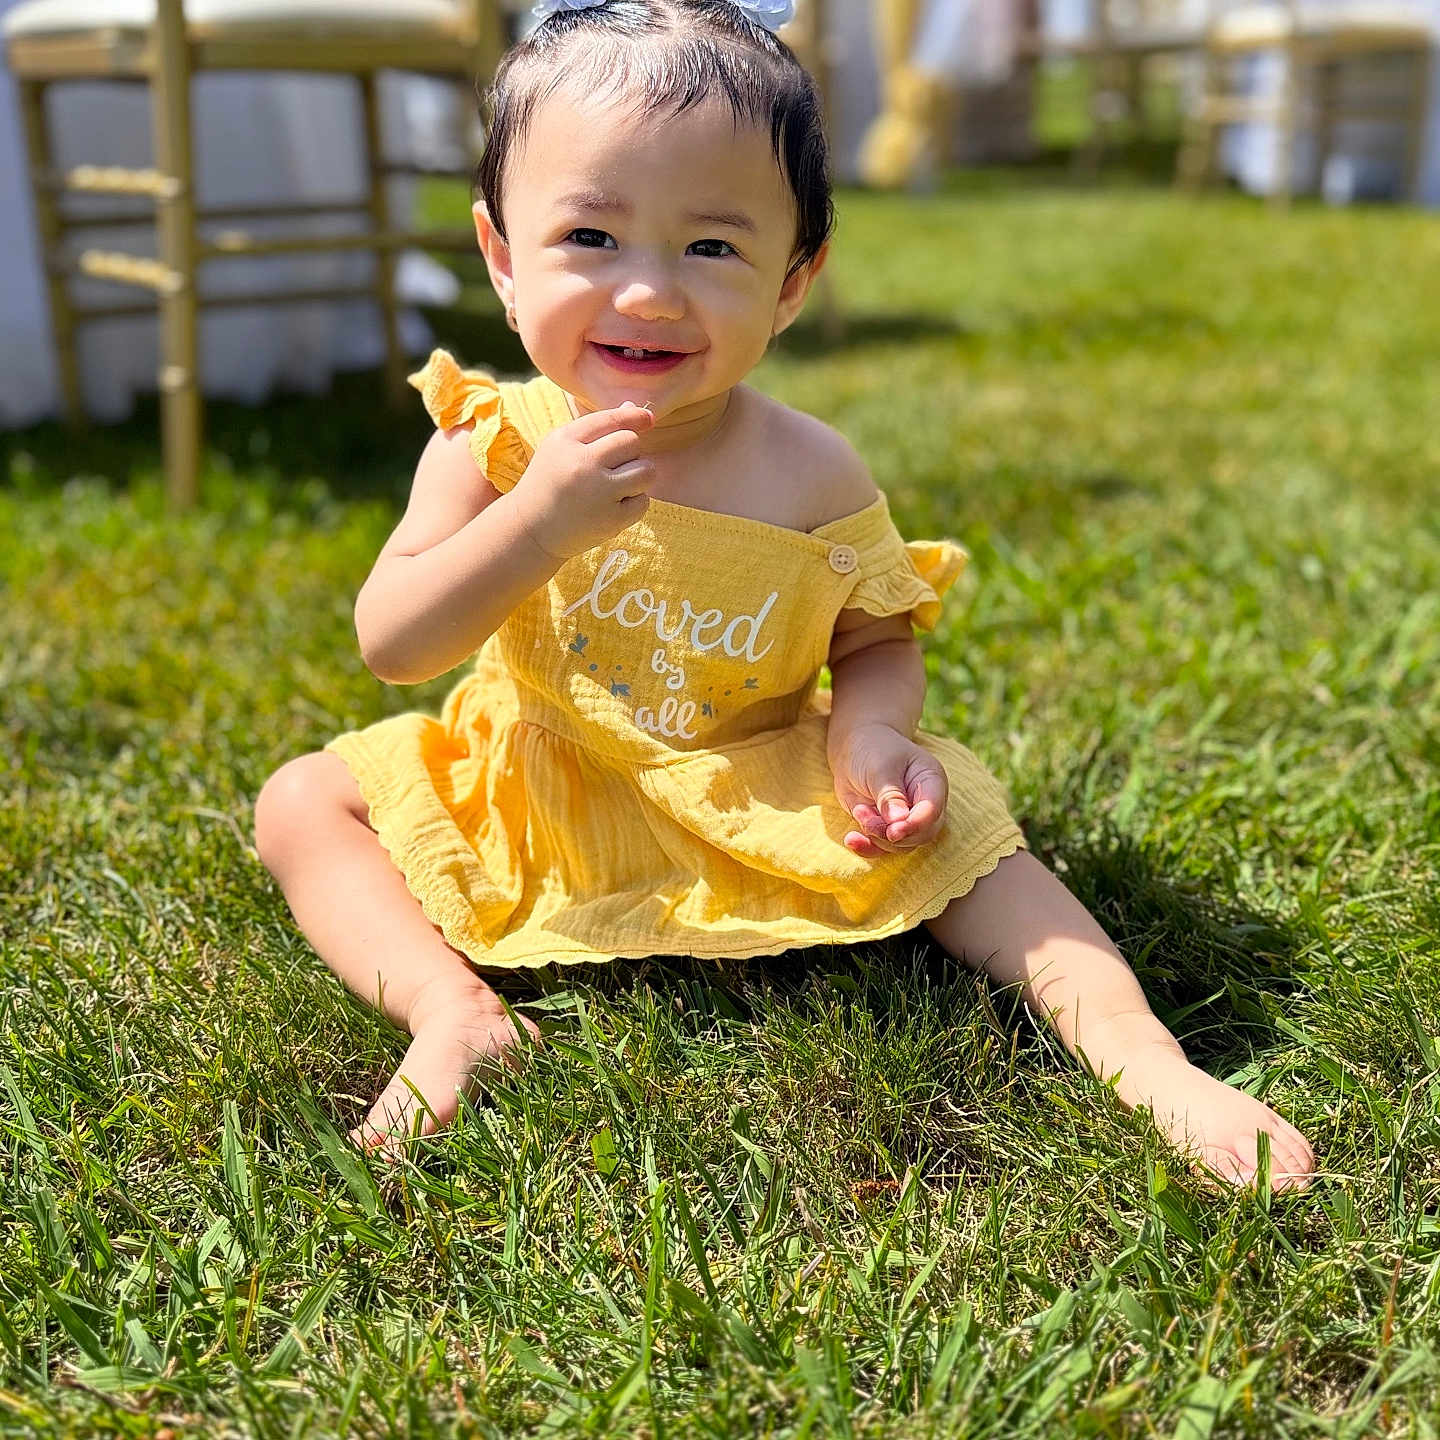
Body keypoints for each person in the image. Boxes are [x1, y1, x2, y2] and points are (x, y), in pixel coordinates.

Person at [252, 0, 1315, 1191]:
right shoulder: (490, 444)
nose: (649, 293)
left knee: (978, 837)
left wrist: (871, 735)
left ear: (793, 283)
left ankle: (1143, 1055)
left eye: (712, 249)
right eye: (591, 237)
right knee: (303, 802)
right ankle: (454, 1013)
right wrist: (533, 523)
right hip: (547, 781)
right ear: (503, 260)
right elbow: (394, 643)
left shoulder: (812, 472)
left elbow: (874, 638)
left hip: (753, 774)